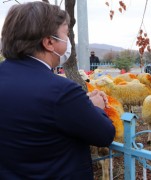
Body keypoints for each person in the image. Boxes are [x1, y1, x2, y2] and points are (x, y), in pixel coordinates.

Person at [0, 2, 115, 179]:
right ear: (49, 42)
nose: (68, 41)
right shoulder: (61, 91)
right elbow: (104, 134)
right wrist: (96, 108)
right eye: (66, 34)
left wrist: (81, 105)